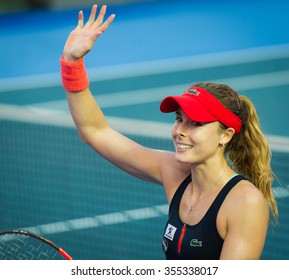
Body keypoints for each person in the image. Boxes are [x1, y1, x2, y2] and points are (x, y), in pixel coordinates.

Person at [60, 4, 278, 260]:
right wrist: (73, 63)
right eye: (178, 119)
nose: (179, 131)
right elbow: (95, 131)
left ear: (225, 135)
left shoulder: (244, 203)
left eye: (196, 123)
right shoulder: (174, 172)